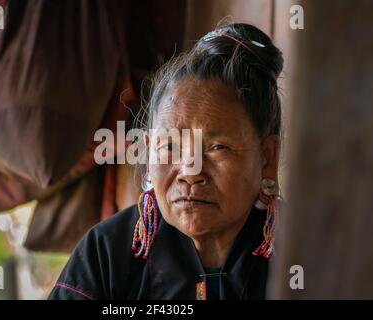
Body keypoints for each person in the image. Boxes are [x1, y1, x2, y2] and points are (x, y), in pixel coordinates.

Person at [49, 23, 284, 300]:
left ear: (267, 157)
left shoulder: (306, 252)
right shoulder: (107, 253)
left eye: (217, 147)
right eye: (169, 146)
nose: (190, 171)